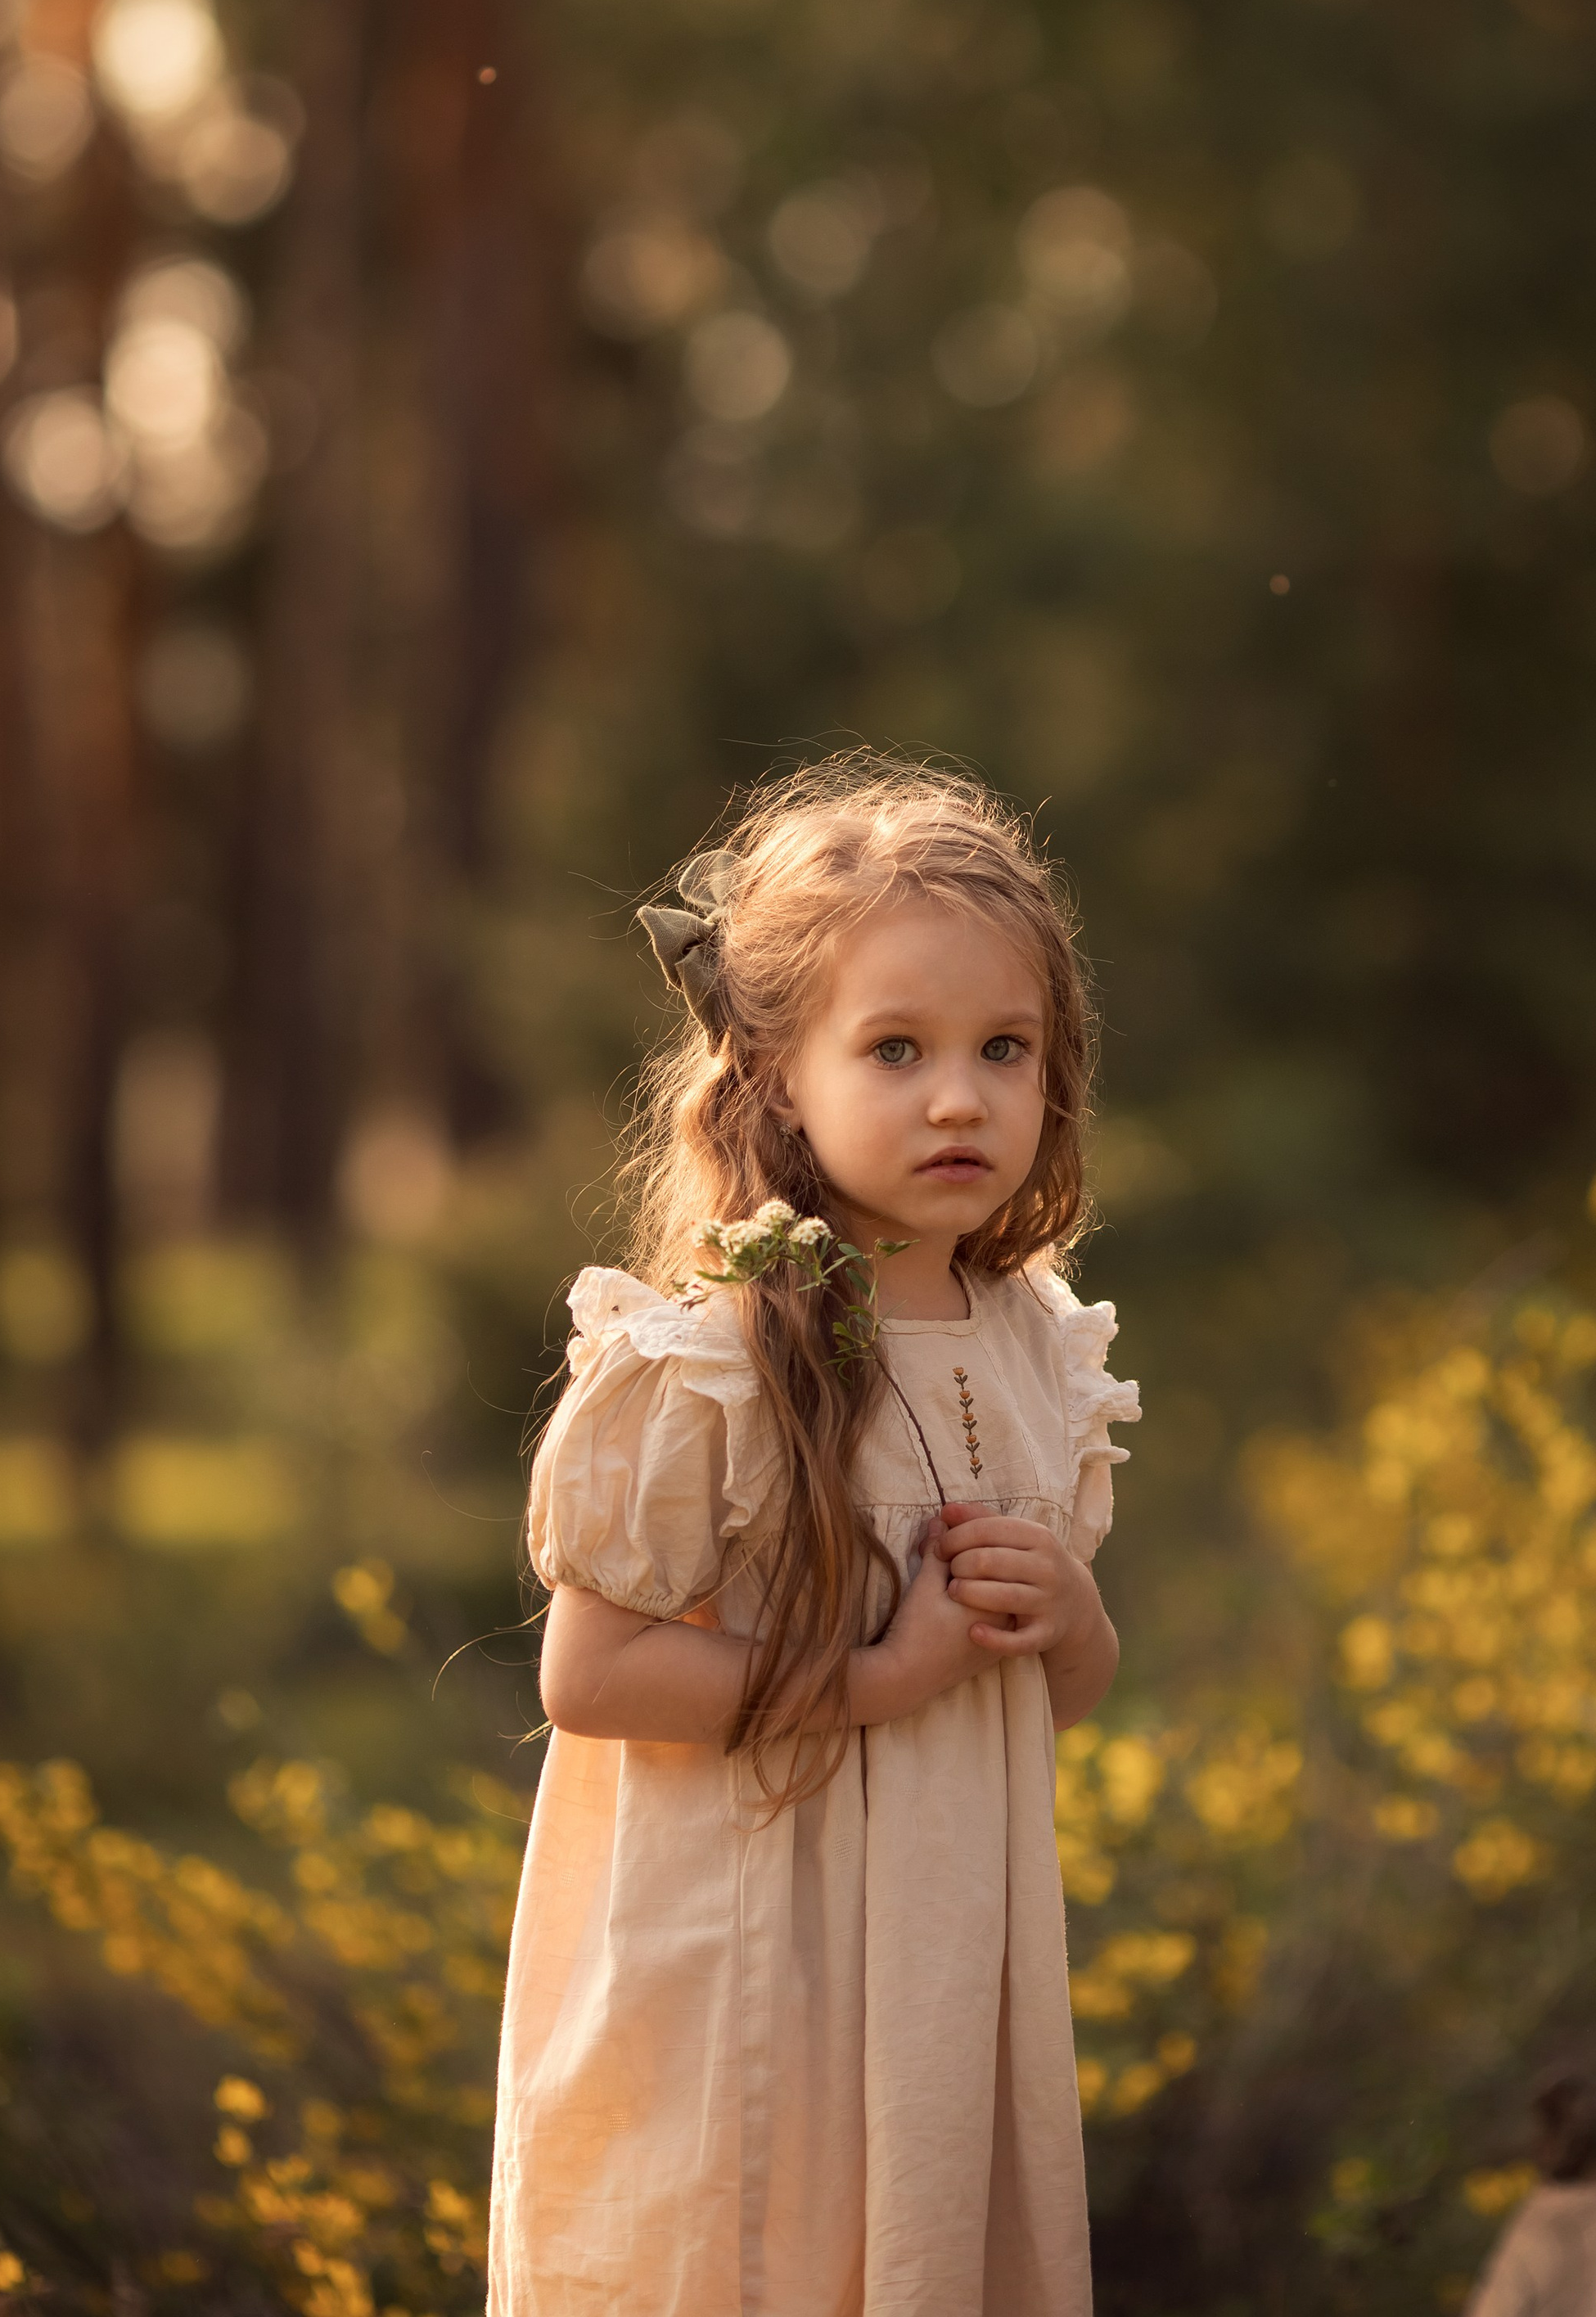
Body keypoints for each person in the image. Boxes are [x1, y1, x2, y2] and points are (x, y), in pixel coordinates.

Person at [488, 755, 1141, 2317]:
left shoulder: (1038, 1344)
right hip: (755, 1953)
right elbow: (590, 1679)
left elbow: (1041, 1702)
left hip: (942, 1974)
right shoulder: (712, 1353)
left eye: (1007, 1048)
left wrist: (1068, 1618)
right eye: (896, 1049)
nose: (961, 1096)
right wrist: (875, 1677)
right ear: (778, 1075)